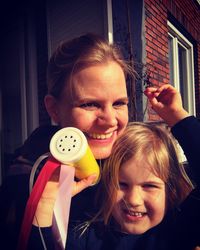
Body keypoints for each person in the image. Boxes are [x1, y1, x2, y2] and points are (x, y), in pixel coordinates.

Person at [0, 32, 135, 250]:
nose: (110, 120)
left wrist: (181, 122)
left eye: (119, 103)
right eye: (90, 104)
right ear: (54, 108)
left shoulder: (138, 161)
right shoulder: (26, 180)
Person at [66, 84, 200, 250]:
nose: (133, 200)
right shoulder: (84, 234)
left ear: (170, 190)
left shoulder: (179, 231)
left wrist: (178, 118)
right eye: (121, 184)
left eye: (149, 186)